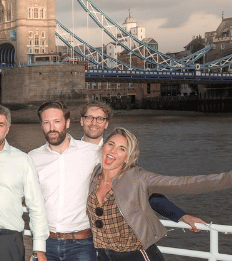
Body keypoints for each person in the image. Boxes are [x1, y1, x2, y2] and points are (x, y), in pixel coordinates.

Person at [29, 101, 205, 261]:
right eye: (89, 117)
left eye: (100, 119)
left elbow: (142, 190)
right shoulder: (42, 156)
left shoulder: (107, 156)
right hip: (57, 242)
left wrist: (180, 215)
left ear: (106, 123)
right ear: (80, 121)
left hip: (89, 242)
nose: (94, 123)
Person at [89, 127, 232, 261]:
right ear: (103, 146)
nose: (113, 151)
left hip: (135, 255)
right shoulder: (94, 174)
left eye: (122, 148)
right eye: (110, 144)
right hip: (102, 254)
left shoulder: (138, 178)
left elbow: (183, 184)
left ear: (128, 156)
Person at [0, 104, 49, 261]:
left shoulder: (22, 160)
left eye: (0, 125)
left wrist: (39, 249)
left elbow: (36, 206)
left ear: (7, 128)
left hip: (7, 241)